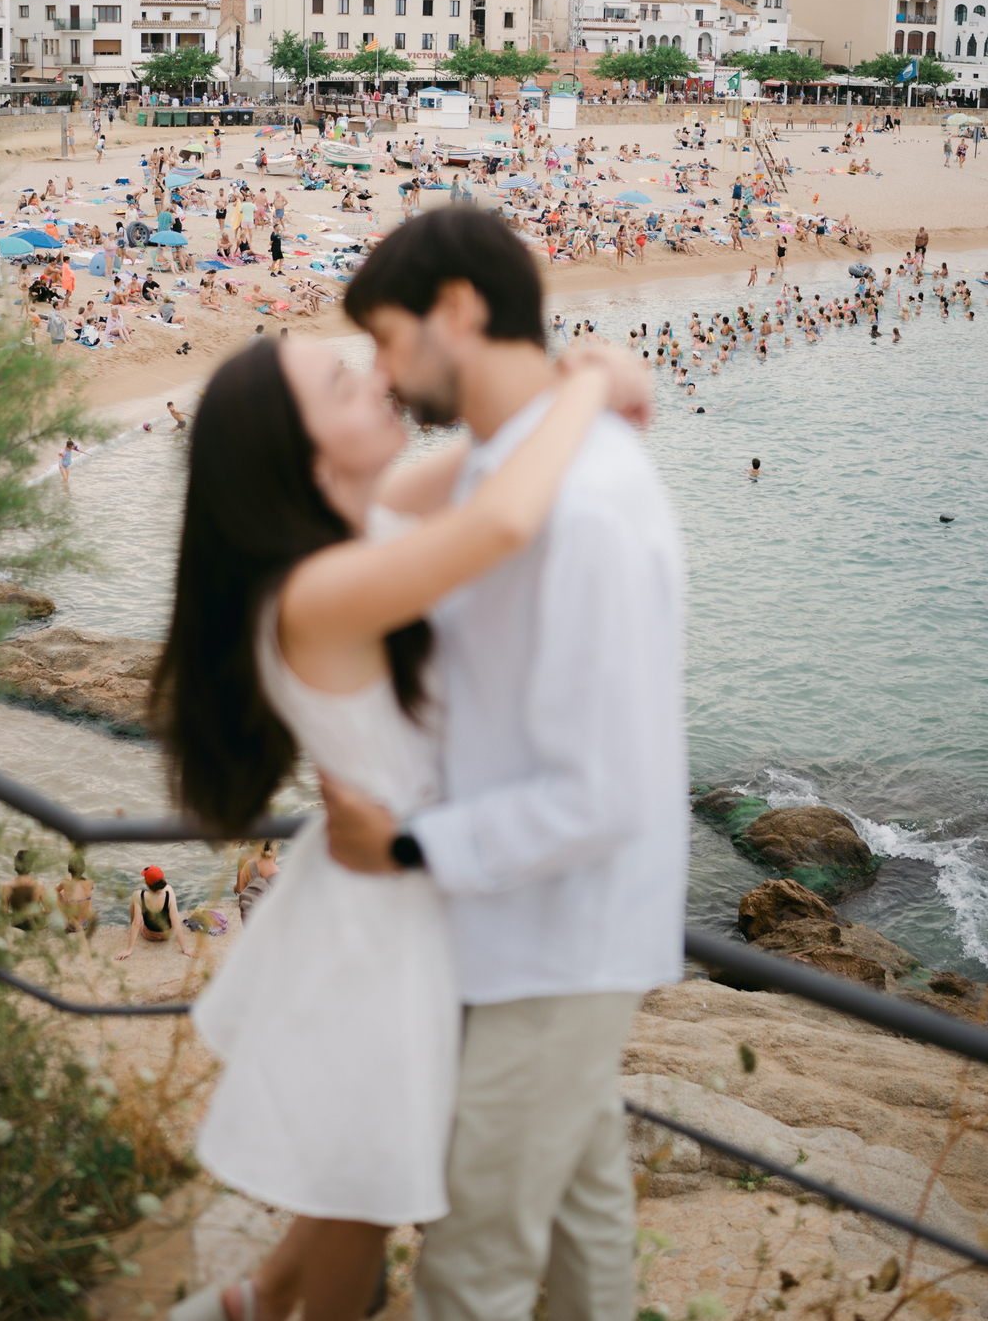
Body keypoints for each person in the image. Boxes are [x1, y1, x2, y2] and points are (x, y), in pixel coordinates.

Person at [160, 321, 651, 1321]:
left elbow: (487, 461)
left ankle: (259, 1299)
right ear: (306, 459)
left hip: (398, 889)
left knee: (364, 1181)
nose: (375, 381)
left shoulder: (353, 532)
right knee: (365, 1197)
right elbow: (501, 521)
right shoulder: (319, 589)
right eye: (342, 386)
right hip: (389, 923)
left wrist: (573, 374)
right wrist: (587, 391)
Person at [322, 209, 686, 1321]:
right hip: (516, 923)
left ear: (459, 309)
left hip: (558, 938)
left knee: (470, 1263)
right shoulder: (508, 471)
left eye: (388, 339)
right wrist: (588, 382)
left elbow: (603, 792)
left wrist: (410, 845)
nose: (384, 375)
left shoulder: (584, 505)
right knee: (583, 1232)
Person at [115, 866, 194, 961]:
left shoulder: (139, 895)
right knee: (171, 901)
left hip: (150, 935)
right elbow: (176, 924)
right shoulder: (169, 895)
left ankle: (130, 923)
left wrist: (129, 950)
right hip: (168, 934)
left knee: (135, 899)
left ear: (146, 882)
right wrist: (185, 949)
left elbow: (136, 924)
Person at [1, 849, 53, 931]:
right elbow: (48, 910)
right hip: (34, 924)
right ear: (31, 866)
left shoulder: (6, 886)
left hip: (17, 924)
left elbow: (4, 911)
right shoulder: (39, 886)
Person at [235, 839, 280, 926]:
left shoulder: (247, 866)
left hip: (249, 922)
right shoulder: (280, 878)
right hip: (269, 926)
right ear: (276, 847)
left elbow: (242, 891)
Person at [56, 851, 96, 934]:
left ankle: (68, 919)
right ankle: (86, 918)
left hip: (72, 926)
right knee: (88, 895)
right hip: (85, 925)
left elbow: (53, 891)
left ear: (69, 869)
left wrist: (68, 881)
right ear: (83, 869)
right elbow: (83, 885)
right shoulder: (90, 882)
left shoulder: (65, 883)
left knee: (59, 894)